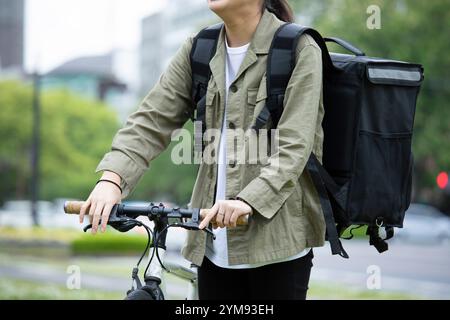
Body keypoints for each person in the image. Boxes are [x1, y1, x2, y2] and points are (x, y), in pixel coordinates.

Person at [79, 0, 326, 300]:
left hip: (278, 250)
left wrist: (247, 201)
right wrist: (112, 179)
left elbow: (294, 148)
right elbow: (150, 120)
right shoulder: (200, 49)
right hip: (211, 246)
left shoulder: (300, 49)